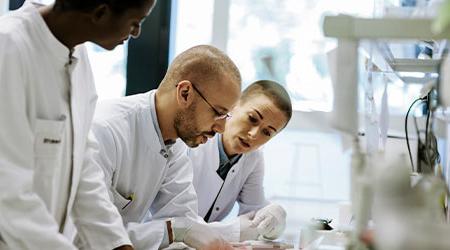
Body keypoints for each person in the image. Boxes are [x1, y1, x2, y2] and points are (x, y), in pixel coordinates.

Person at [0, 0, 155, 249]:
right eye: (135, 22)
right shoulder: (9, 48)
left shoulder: (77, 55)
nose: (136, 33)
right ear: (100, 12)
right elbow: (7, 193)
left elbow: (82, 163)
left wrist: (117, 243)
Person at [89, 45, 242, 249]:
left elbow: (183, 219)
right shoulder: (106, 129)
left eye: (226, 116)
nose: (221, 128)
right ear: (185, 93)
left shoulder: (174, 144)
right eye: (217, 113)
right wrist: (174, 231)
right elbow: (94, 233)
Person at [188, 80, 293, 240]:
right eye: (252, 118)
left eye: (267, 132)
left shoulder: (254, 158)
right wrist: (231, 231)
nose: (254, 134)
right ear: (234, 105)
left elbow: (254, 213)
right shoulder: (192, 141)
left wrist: (274, 216)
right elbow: (175, 222)